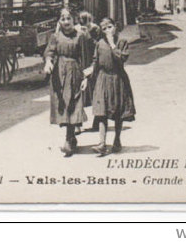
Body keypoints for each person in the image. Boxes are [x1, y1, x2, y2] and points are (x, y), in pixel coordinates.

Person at [87, 17, 136, 155]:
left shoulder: (122, 42)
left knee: (117, 112)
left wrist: (112, 44)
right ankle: (102, 143)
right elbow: (95, 61)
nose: (108, 30)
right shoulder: (100, 43)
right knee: (101, 111)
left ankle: (117, 140)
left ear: (115, 26)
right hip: (103, 79)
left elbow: (122, 59)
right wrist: (88, 75)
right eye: (104, 28)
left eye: (110, 27)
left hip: (118, 78)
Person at [43, 8, 88, 157]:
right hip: (59, 73)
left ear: (73, 20)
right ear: (59, 21)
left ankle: (69, 139)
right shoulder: (55, 37)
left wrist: (85, 76)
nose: (66, 22)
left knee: (72, 104)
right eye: (63, 19)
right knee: (62, 104)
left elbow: (84, 57)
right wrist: (48, 62)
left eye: (68, 18)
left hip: (74, 72)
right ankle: (71, 137)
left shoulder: (80, 36)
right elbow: (50, 52)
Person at [77, 11, 101, 132]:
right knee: (83, 93)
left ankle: (95, 121)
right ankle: (79, 122)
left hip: (88, 63)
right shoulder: (80, 30)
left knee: (93, 93)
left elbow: (97, 45)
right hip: (85, 62)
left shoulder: (93, 29)